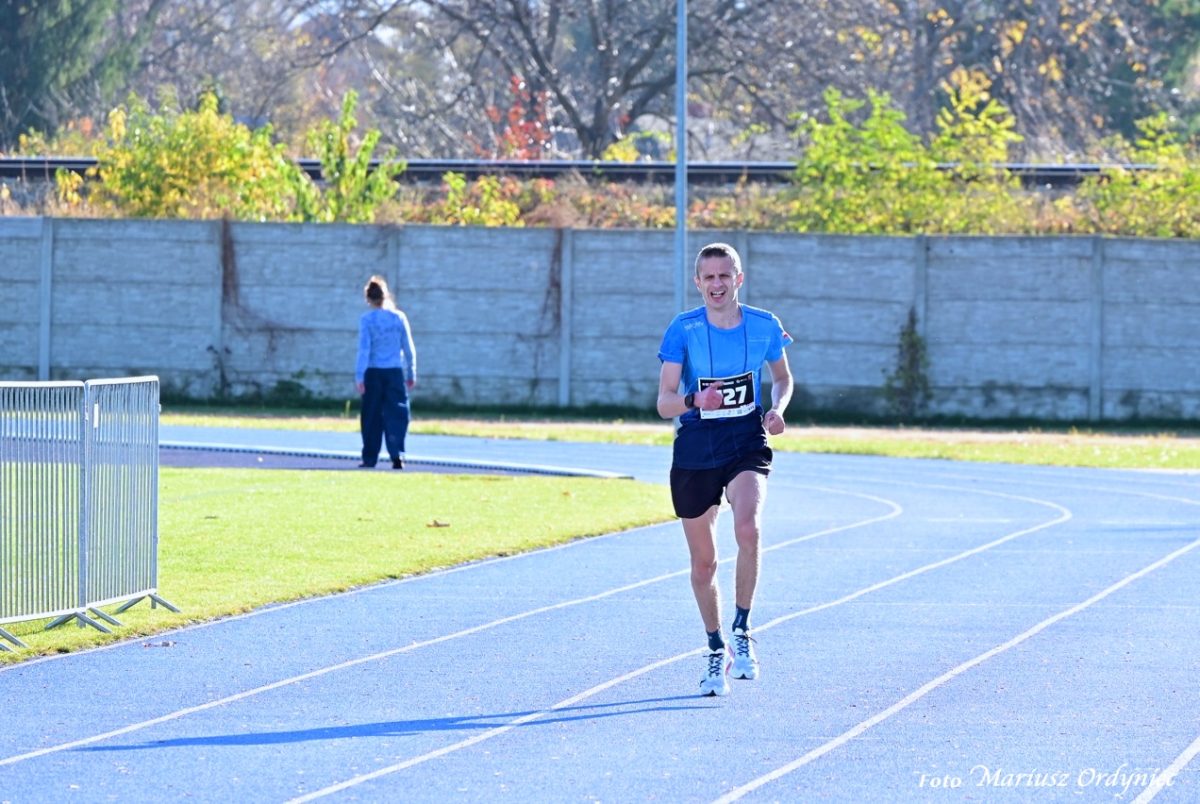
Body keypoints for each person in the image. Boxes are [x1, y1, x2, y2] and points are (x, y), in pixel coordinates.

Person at [656, 242, 794, 697]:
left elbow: (783, 378)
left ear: (739, 278)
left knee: (749, 529)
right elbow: (664, 403)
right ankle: (716, 647)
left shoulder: (764, 325)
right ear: (698, 283)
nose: (717, 284)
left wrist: (777, 409)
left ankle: (742, 628)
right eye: (709, 277)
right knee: (704, 563)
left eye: (725, 275)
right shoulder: (683, 329)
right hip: (697, 446)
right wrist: (696, 399)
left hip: (745, 440)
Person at [355, 275, 417, 469]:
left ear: (368, 298)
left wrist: (359, 375)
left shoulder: (367, 320)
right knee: (397, 413)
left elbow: (364, 349)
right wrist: (411, 372)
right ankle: (397, 454)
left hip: (373, 372)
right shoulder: (399, 317)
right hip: (394, 372)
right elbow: (408, 347)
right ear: (386, 296)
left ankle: (369, 457)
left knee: (371, 415)